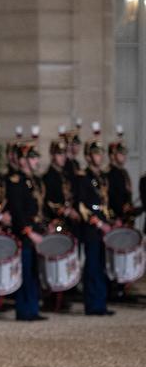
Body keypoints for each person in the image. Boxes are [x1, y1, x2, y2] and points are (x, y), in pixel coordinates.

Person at [6, 136, 48, 321]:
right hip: (25, 235)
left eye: (36, 157)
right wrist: (30, 232)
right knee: (24, 273)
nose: (36, 161)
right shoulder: (16, 182)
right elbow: (17, 212)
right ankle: (24, 310)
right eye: (32, 157)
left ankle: (33, 308)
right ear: (22, 160)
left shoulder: (35, 181)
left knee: (34, 273)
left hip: (37, 232)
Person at [74, 124, 114, 316]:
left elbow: (105, 203)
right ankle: (93, 305)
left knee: (102, 266)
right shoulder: (83, 177)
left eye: (101, 153)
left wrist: (109, 222)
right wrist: (99, 224)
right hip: (92, 229)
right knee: (92, 267)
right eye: (96, 154)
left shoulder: (102, 177)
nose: (100, 157)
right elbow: (82, 207)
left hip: (103, 228)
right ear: (89, 156)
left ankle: (101, 302)